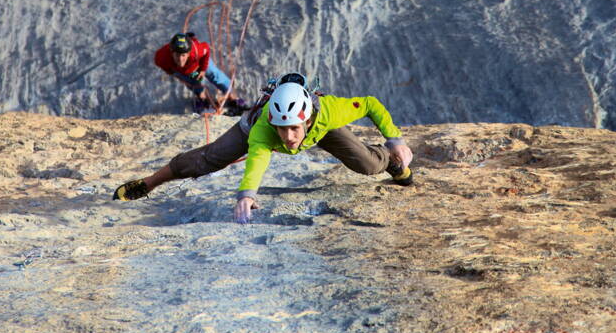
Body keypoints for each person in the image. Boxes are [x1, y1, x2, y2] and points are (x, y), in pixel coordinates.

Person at [113, 73, 414, 224]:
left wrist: (395, 140)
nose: (288, 137)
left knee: (368, 165)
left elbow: (371, 104)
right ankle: (148, 183)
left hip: (324, 131)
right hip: (251, 127)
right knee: (206, 160)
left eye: (294, 127)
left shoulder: (330, 112)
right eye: (282, 128)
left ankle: (391, 162)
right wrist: (247, 195)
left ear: (307, 118)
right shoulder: (264, 129)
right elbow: (257, 160)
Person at [154, 32, 246, 114]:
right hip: (187, 72)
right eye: (177, 55)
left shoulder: (197, 51)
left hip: (199, 63)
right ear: (171, 52)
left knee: (214, 74)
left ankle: (232, 96)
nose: (180, 59)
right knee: (193, 82)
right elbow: (162, 65)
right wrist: (172, 72)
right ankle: (201, 97)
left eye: (183, 55)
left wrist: (203, 69)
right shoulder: (162, 57)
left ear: (189, 53)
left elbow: (206, 49)